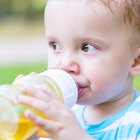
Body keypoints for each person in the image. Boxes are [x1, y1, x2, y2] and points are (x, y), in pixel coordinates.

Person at [19, 0, 140, 139]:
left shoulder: (135, 124)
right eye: (55, 46)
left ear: (135, 62)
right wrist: (29, 133)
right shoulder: (60, 113)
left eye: (87, 47)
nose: (64, 64)